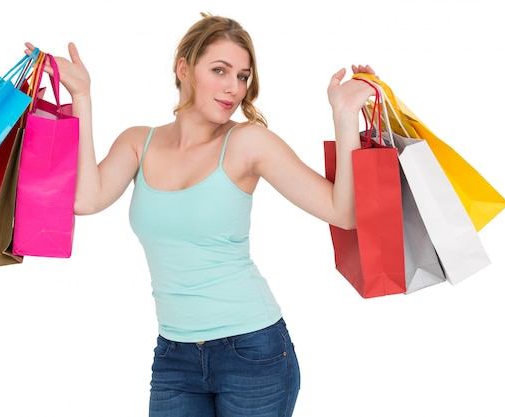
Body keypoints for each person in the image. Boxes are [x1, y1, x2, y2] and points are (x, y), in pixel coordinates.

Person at [26, 12, 376, 417]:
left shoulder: (247, 142)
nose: (233, 88)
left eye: (243, 76)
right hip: (174, 355)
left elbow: (343, 212)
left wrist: (344, 114)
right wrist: (83, 97)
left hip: (251, 351)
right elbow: (85, 200)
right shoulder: (139, 142)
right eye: (220, 70)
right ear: (184, 69)